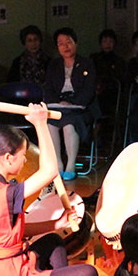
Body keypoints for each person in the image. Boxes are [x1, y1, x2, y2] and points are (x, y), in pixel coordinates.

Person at [0, 104, 99, 276]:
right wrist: (41, 124)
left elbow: (13, 233)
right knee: (89, 274)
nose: (24, 160)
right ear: (8, 158)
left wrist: (56, 224)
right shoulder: (7, 193)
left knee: (54, 240)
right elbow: (50, 170)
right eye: (22, 155)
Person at [44, 27, 99, 181]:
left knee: (69, 125)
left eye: (69, 42)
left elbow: (89, 90)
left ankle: (71, 165)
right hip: (59, 106)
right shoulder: (54, 65)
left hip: (80, 108)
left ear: (75, 43)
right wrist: (57, 102)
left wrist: (72, 102)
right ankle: (58, 164)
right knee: (50, 124)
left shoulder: (87, 63)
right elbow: (48, 89)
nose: (65, 46)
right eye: (61, 43)